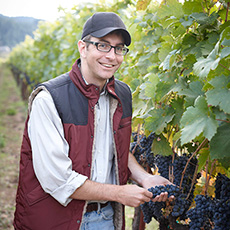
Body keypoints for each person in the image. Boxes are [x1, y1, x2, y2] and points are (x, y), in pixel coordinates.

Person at [13, 12, 173, 230]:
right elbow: (58, 180)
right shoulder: (49, 99)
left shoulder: (122, 94)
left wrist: (145, 177)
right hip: (54, 220)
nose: (111, 56)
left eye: (119, 49)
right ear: (83, 47)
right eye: (103, 46)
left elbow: (117, 149)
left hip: (105, 219)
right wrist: (120, 193)